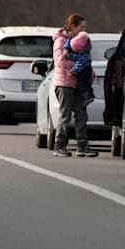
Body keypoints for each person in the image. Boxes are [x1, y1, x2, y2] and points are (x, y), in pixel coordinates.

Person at [51, 13, 98, 157]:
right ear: (72, 27)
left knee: (81, 114)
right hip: (65, 83)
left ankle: (82, 146)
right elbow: (61, 61)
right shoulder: (60, 42)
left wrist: (89, 72)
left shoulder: (79, 42)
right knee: (65, 115)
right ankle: (59, 145)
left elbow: (86, 59)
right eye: (81, 27)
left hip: (78, 84)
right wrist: (80, 65)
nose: (83, 30)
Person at [63, 31, 95, 107]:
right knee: (86, 84)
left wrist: (73, 71)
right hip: (86, 69)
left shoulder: (84, 56)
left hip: (85, 70)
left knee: (82, 84)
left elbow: (79, 64)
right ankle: (88, 94)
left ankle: (87, 96)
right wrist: (66, 49)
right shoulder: (81, 43)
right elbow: (70, 42)